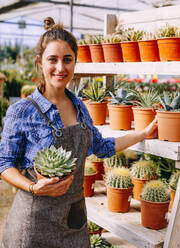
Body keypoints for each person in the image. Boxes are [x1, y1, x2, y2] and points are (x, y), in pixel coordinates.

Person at [0, 17, 157, 248]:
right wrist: (33, 186)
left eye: (67, 60)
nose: (60, 68)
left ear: (75, 62)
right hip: (33, 225)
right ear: (40, 62)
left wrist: (142, 134)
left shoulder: (80, 107)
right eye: (52, 59)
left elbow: (101, 147)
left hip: (73, 223)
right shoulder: (21, 111)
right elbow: (4, 164)